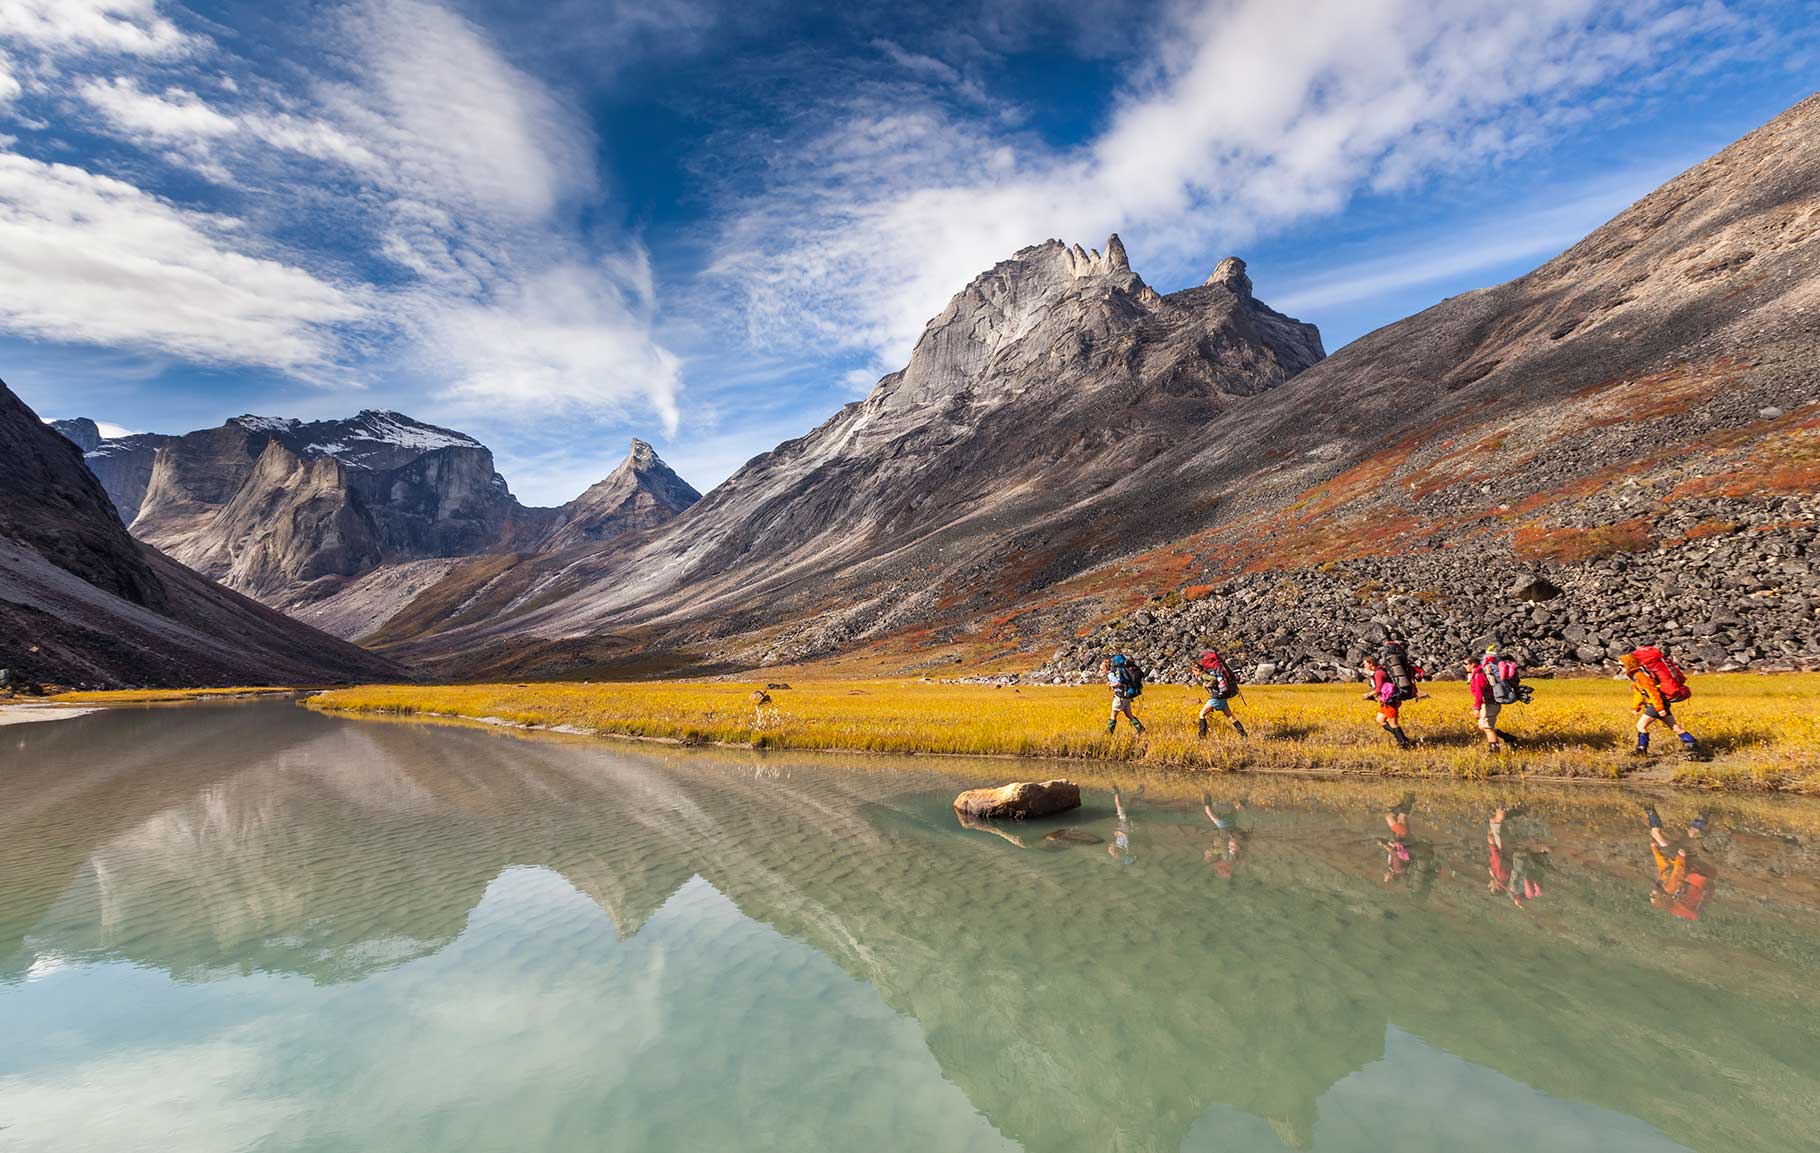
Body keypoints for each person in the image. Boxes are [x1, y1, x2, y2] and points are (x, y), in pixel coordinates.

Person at [1618, 652, 1701, 758]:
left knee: (1641, 725)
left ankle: (1641, 750)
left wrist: (1659, 708)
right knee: (1675, 727)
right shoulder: (1634, 675)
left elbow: (1652, 692)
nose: (1620, 668)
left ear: (1629, 663)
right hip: (1660, 704)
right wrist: (1636, 707)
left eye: (1622, 665)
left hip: (1656, 704)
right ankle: (1693, 746)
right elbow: (1639, 692)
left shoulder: (1640, 675)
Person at [1645, 805, 1713, 921]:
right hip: (1681, 858)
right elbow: (1678, 872)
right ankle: (1650, 809)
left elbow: (1663, 867)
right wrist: (1681, 857)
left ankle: (1705, 814)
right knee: (1656, 835)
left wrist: (1655, 850)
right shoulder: (1669, 888)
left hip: (1685, 860)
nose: (1651, 893)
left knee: (1691, 833)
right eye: (1653, 896)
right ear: (1661, 898)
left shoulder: (1664, 885)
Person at [1362, 656, 1415, 749]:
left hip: (1391, 701)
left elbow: (1378, 689)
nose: (1364, 665)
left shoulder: (1378, 673)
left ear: (1371, 663)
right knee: (1380, 720)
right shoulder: (1382, 670)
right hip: (1386, 701)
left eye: (1365, 663)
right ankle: (1402, 738)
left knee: (1393, 723)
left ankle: (1404, 743)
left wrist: (1368, 694)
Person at [1193, 650, 1247, 740]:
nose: (1194, 674)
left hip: (1216, 698)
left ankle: (1202, 736)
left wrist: (1207, 684)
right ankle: (1244, 735)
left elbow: (1213, 679)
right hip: (1222, 697)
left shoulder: (1204, 675)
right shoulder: (1207, 673)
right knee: (1231, 718)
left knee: (1201, 714)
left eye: (1194, 672)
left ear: (1197, 670)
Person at [1202, 791, 1245, 877]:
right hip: (1225, 827)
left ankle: (1244, 797)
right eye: (1220, 866)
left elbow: (1231, 848)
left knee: (1236, 810)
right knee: (1209, 812)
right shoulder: (1228, 858)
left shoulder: (1226, 858)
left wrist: (1209, 853)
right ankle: (1206, 794)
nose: (1218, 864)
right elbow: (1226, 849)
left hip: (1229, 827)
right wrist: (1211, 851)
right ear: (1225, 866)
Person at [1101, 656, 1146, 735]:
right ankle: (1140, 729)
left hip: (1120, 696)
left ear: (1106, 668)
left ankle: (1109, 733)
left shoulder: (1110, 675)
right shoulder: (1118, 671)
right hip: (1127, 695)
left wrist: (1111, 684)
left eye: (1101, 669)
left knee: (1113, 714)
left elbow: (1118, 683)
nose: (1101, 671)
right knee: (1129, 715)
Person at [1108, 785, 1136, 865]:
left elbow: (1113, 844)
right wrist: (1119, 832)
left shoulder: (1121, 846)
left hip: (1123, 824)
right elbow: (1126, 835)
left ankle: (1118, 793)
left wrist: (1117, 833)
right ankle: (1117, 793)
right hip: (1124, 824)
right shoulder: (1125, 846)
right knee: (1119, 807)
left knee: (1121, 807)